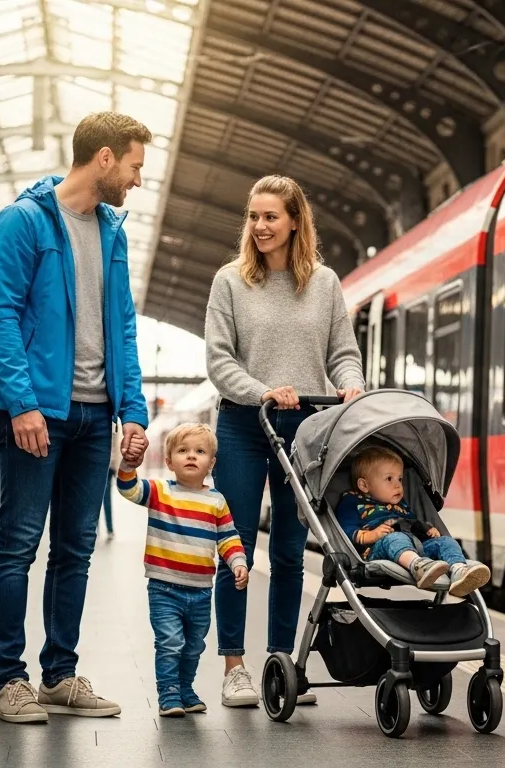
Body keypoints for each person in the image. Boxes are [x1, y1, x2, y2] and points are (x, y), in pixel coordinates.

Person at [0, 110, 152, 724]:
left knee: (75, 549)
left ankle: (59, 674)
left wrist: (132, 410)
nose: (137, 180)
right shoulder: (23, 221)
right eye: (133, 167)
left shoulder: (113, 231)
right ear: (103, 159)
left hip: (94, 413)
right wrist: (22, 403)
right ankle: (10, 680)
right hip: (38, 415)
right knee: (18, 546)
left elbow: (122, 325)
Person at [204, 175, 364, 708]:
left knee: (294, 553)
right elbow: (220, 360)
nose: (260, 226)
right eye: (253, 216)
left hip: (308, 429)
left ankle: (281, 663)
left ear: (296, 220)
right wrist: (263, 392)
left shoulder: (324, 284)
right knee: (239, 548)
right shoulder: (230, 281)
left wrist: (351, 382)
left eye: (271, 216)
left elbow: (343, 350)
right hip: (246, 425)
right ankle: (233, 666)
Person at [117, 423, 248, 717]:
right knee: (170, 642)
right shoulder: (160, 492)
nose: (191, 456)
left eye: (200, 452)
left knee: (193, 646)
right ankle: (169, 693)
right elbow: (128, 489)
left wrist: (237, 562)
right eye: (183, 451)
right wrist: (128, 464)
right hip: (164, 588)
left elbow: (228, 537)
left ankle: (186, 688)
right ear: (169, 462)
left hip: (202, 591)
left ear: (211, 463)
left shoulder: (216, 501)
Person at [336, 446, 490, 597]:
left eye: (400, 479)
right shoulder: (352, 501)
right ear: (364, 485)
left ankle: (458, 570)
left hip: (414, 546)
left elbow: (411, 523)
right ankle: (418, 566)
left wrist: (427, 530)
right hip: (378, 548)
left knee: (445, 541)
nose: (398, 484)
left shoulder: (400, 504)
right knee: (395, 538)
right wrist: (371, 536)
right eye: (389, 479)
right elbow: (347, 529)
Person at [103, 423, 120, 538]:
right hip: (110, 467)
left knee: (93, 499)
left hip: (104, 467)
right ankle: (109, 529)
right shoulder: (114, 425)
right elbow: (115, 451)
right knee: (107, 499)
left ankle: (95, 529)